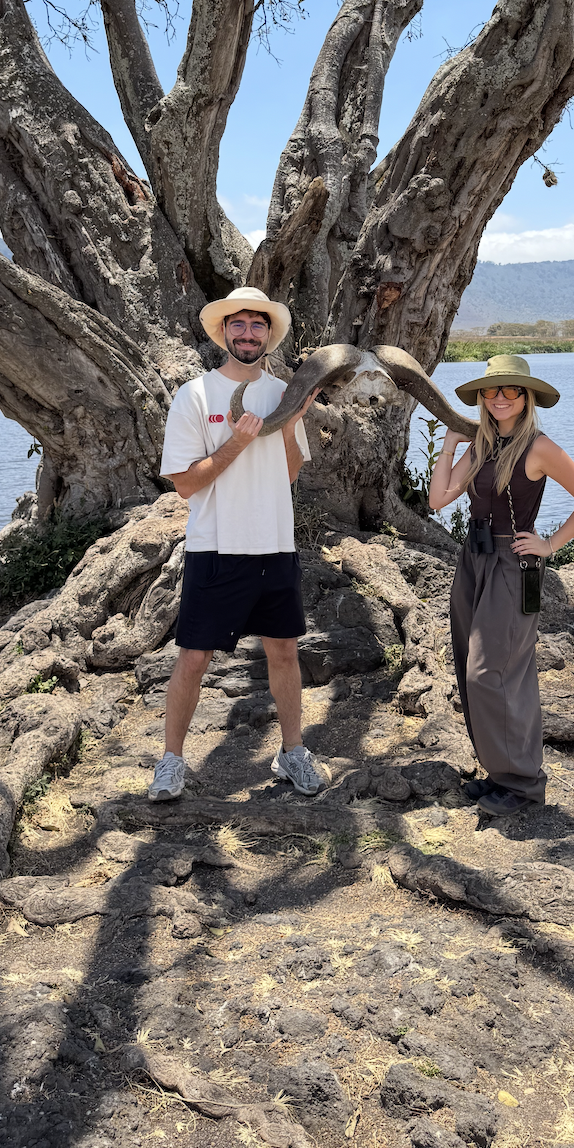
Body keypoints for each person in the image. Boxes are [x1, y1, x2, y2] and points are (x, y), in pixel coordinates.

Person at [147, 286, 328, 802]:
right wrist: (238, 442)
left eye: (257, 325)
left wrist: (291, 425)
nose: (248, 333)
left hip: (275, 545)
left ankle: (292, 752)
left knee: (285, 653)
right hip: (216, 547)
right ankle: (171, 761)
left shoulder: (284, 393)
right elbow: (185, 483)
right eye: (238, 324)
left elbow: (288, 475)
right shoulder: (196, 395)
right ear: (224, 332)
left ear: (269, 334)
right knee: (193, 657)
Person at [428, 354, 574, 818]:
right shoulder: (481, 445)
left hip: (513, 563)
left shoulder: (539, 447)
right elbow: (438, 499)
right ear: (482, 398)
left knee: (493, 672)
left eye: (511, 390)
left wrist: (549, 544)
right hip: (474, 559)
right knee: (469, 662)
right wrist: (448, 447)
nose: (500, 397)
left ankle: (524, 784)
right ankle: (497, 772)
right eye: (492, 390)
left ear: (527, 398)